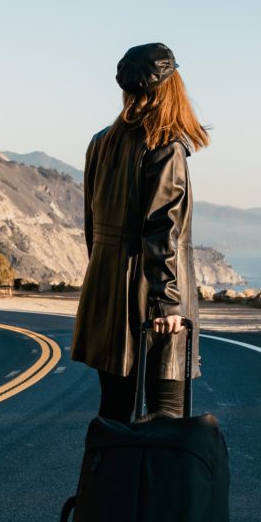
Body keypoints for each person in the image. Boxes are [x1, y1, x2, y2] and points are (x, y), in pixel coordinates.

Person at [70, 42, 210, 422]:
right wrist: (167, 303)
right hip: (154, 295)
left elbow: (91, 225)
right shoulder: (166, 146)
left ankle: (104, 483)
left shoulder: (101, 142)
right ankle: (159, 486)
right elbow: (162, 227)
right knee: (168, 417)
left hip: (108, 289)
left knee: (113, 414)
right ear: (171, 85)